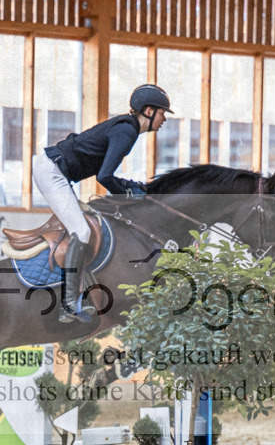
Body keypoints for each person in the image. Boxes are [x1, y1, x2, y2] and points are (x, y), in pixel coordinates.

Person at [33, 84, 172, 323]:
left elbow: (106, 174)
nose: (164, 119)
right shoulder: (127, 131)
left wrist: (129, 187)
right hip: (51, 172)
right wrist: (129, 195)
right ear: (148, 111)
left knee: (85, 227)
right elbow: (104, 177)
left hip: (56, 170)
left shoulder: (126, 128)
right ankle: (68, 304)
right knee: (82, 231)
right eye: (162, 113)